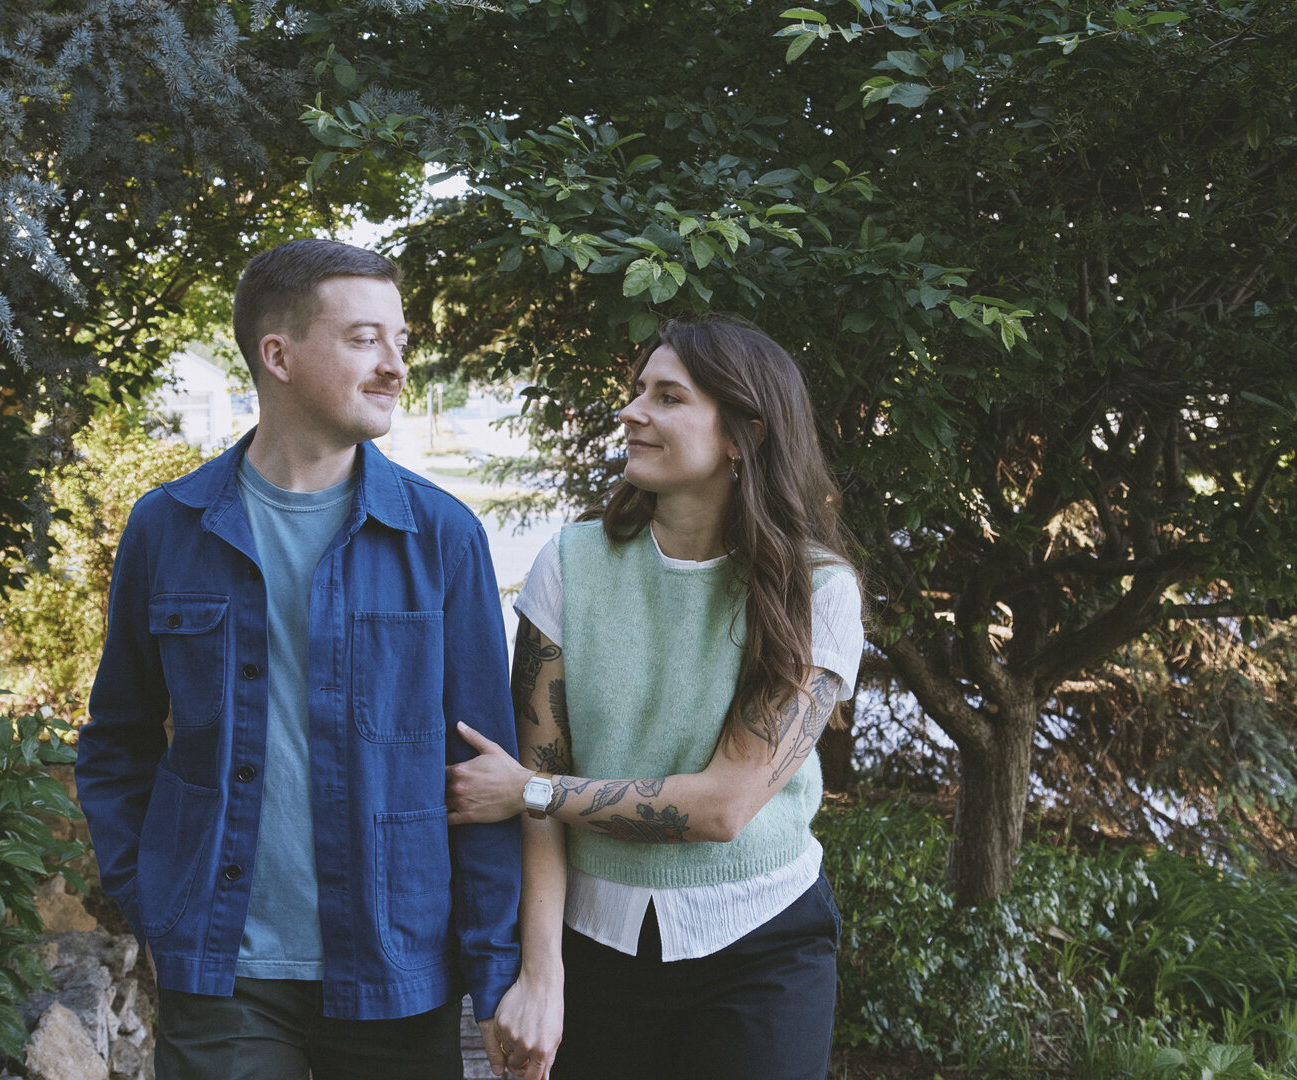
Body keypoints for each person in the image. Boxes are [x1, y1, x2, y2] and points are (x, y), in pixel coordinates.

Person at [76, 238, 520, 1080]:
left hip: (396, 971)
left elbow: (482, 771)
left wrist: (496, 974)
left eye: (399, 340)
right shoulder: (167, 528)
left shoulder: (440, 536)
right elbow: (117, 740)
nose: (394, 365)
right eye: (363, 339)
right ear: (276, 355)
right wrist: (151, 896)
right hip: (221, 967)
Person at [446, 314, 864, 1080]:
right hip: (592, 943)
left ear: (741, 434)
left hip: (761, 945)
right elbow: (537, 799)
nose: (632, 411)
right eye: (638, 390)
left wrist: (533, 791)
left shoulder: (818, 590)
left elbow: (721, 807)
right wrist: (541, 973)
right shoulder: (569, 563)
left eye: (667, 396)